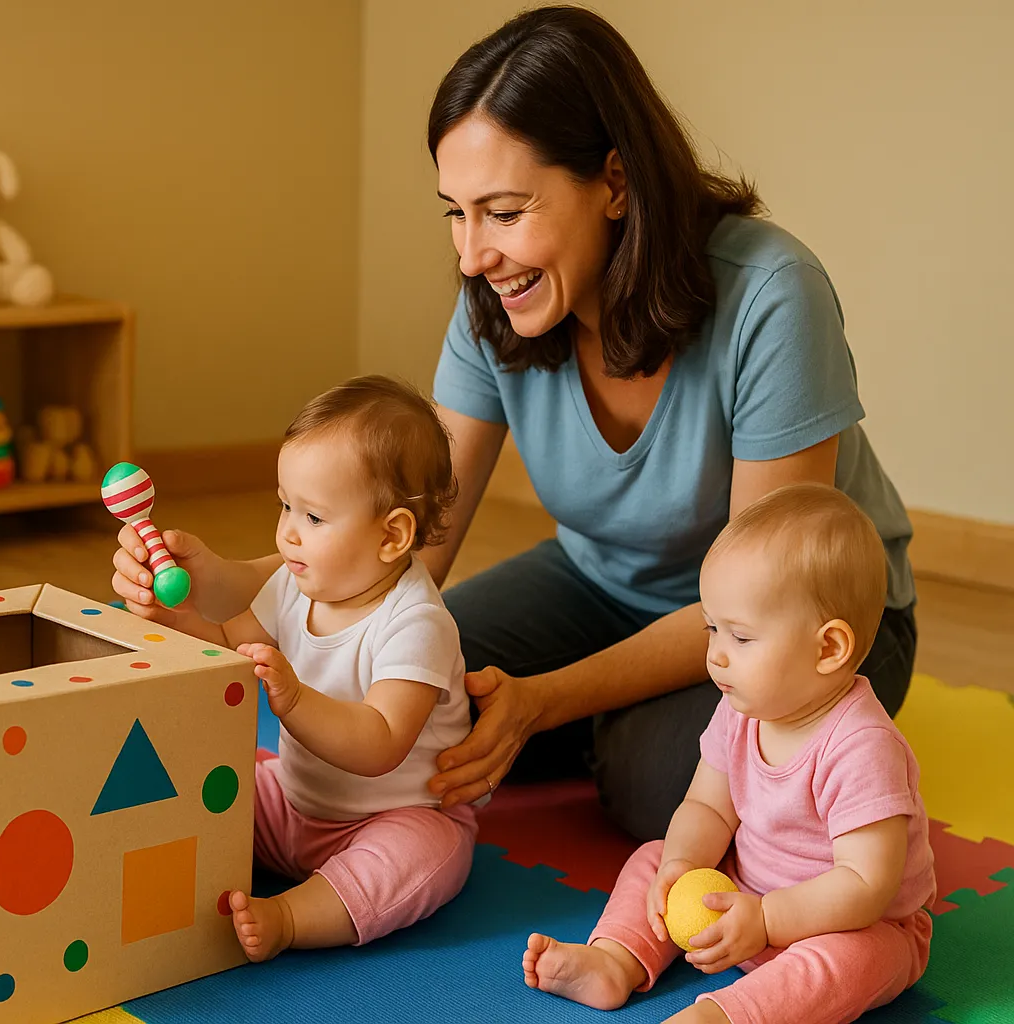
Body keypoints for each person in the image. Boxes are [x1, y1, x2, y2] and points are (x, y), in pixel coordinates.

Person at [112, 5, 916, 842]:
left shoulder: (771, 293)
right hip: (599, 583)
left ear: (614, 181)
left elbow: (774, 591)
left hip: (803, 624)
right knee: (407, 685)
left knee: (652, 786)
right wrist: (218, 577)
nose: (471, 256)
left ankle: (817, 747)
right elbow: (407, 539)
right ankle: (613, 726)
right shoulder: (498, 300)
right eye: (455, 212)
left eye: (503, 211)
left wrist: (545, 701)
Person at [522, 484, 935, 1024]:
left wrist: (766, 919)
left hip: (849, 920)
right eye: (712, 628)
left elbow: (865, 886)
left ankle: (726, 1016)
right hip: (744, 889)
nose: (714, 654)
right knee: (654, 859)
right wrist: (683, 863)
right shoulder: (742, 710)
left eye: (740, 638)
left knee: (849, 960)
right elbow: (709, 808)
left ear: (828, 648)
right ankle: (613, 960)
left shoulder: (863, 747)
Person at [149, 376, 478, 961]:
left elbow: (380, 744)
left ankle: (293, 917)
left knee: (423, 856)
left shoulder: (417, 622)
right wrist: (171, 618)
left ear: (392, 535)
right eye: (285, 506)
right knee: (215, 782)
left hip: (391, 818)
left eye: (315, 517)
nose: (288, 533)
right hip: (293, 804)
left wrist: (294, 699)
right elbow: (228, 647)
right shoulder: (293, 585)